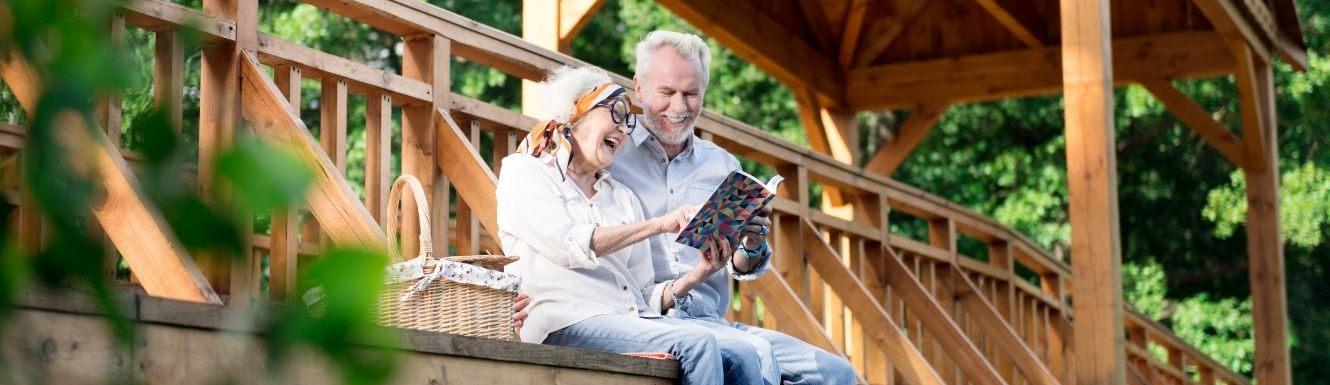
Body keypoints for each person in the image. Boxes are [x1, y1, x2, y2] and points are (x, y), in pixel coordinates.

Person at [514, 31, 858, 385]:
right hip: (649, 317)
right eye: (667, 92)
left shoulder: (721, 164)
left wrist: (750, 245)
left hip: (705, 316)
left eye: (691, 94)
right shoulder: (609, 152)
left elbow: (741, 268)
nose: (679, 108)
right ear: (639, 88)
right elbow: (552, 201)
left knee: (837, 374)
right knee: (749, 353)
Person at [495, 65, 766, 385]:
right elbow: (569, 244)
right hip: (564, 323)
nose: (624, 130)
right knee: (698, 346)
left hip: (633, 321)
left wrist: (700, 273)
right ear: (575, 111)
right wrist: (659, 224)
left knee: (744, 353)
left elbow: (646, 294)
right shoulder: (525, 172)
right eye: (617, 113)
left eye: (629, 122)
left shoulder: (621, 197)